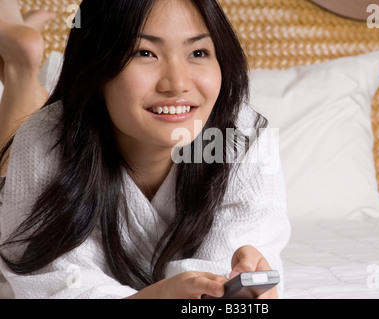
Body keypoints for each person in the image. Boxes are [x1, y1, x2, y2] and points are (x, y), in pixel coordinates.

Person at [0, 0, 291, 299]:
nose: (177, 84)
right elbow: (51, 279)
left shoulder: (244, 137)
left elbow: (223, 274)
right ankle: (21, 66)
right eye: (145, 53)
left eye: (198, 52)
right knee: (23, 133)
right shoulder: (46, 138)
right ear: (96, 66)